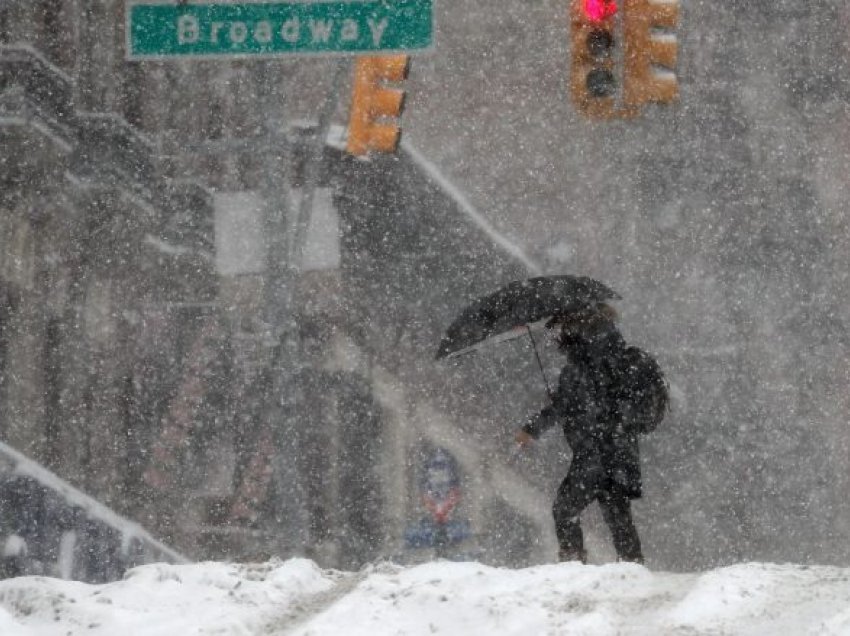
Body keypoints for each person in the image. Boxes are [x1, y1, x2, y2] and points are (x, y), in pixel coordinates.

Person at [515, 302, 668, 564]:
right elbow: (592, 404)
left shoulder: (581, 365)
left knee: (564, 510)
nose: (554, 339)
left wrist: (531, 429)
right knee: (618, 516)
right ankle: (633, 567)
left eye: (557, 331)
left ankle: (573, 567)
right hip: (621, 450)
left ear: (571, 327)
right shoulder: (616, 355)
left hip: (594, 453)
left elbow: (565, 408)